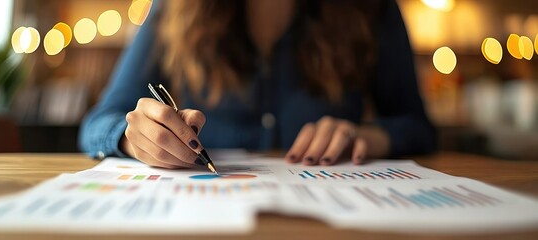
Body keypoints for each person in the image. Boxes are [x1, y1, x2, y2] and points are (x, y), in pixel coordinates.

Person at [79, 0, 437, 169]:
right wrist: (133, 138)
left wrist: (370, 136)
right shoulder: (173, 9)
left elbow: (419, 128)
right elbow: (99, 123)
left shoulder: (372, 10)